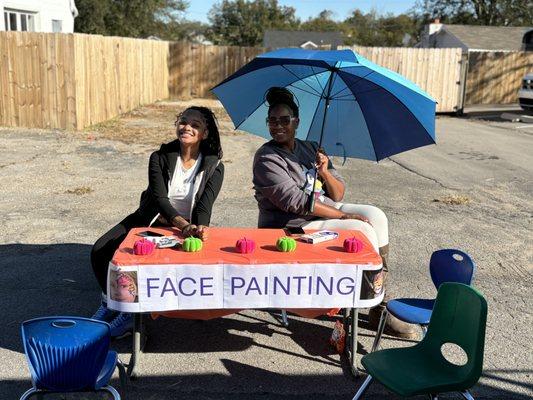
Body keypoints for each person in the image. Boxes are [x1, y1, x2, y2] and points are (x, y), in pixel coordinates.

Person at [252, 87, 416, 338]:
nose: (277, 125)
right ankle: (365, 300)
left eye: (285, 120)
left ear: (297, 121)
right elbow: (294, 201)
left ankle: (379, 303)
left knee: (376, 216)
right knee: (361, 228)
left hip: (322, 212)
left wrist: (325, 171)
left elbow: (338, 194)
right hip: (292, 223)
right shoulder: (267, 156)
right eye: (272, 120)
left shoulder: (311, 148)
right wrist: (343, 217)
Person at [91, 106, 224, 337]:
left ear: (205, 133)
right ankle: (110, 302)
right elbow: (159, 199)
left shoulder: (215, 166)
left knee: (150, 263)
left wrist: (200, 227)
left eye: (195, 125)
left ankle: (129, 315)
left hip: (188, 227)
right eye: (183, 121)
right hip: (151, 219)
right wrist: (183, 225)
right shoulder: (160, 157)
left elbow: (205, 205)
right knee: (101, 250)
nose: (187, 127)